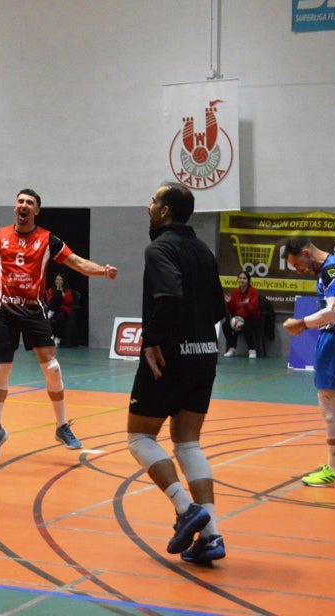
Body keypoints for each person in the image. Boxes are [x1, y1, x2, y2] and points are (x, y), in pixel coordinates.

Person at [0, 188, 117, 464]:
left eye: (30, 203)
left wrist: (102, 271)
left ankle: (62, 426)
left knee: (52, 368)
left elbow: (76, 263)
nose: (24, 205)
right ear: (14, 207)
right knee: (0, 371)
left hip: (33, 312)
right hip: (5, 312)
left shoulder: (48, 240)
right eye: (20, 201)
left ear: (37, 211)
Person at [127, 182, 228, 564]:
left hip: (168, 356)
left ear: (165, 211)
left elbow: (167, 295)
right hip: (205, 353)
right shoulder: (203, 250)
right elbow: (218, 307)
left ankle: (186, 509)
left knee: (139, 436)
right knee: (188, 444)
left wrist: (153, 338)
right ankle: (212, 537)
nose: (148, 206)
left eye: (153, 201)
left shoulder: (160, 248)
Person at [281, 238, 335, 487]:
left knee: (328, 402)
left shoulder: (331, 269)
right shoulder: (329, 269)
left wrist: (301, 323)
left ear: (306, 252)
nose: (299, 270)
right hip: (332, 336)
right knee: (328, 401)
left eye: (297, 265)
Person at [221, 270, 261, 358]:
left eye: (244, 278)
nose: (242, 280)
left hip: (251, 319)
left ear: (248, 281)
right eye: (240, 278)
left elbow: (254, 309)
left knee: (246, 326)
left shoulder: (253, 292)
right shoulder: (235, 292)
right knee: (225, 326)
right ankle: (232, 348)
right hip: (238, 319)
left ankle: (252, 350)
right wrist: (228, 302)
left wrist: (246, 305)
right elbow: (231, 310)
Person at [44, 273, 76, 345]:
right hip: (54, 309)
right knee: (57, 293)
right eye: (57, 279)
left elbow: (69, 302)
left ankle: (57, 338)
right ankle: (51, 311)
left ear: (63, 281)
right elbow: (48, 301)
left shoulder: (67, 291)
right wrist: (56, 294)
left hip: (62, 310)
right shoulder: (50, 290)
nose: (58, 281)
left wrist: (61, 292)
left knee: (60, 317)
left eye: (60, 280)